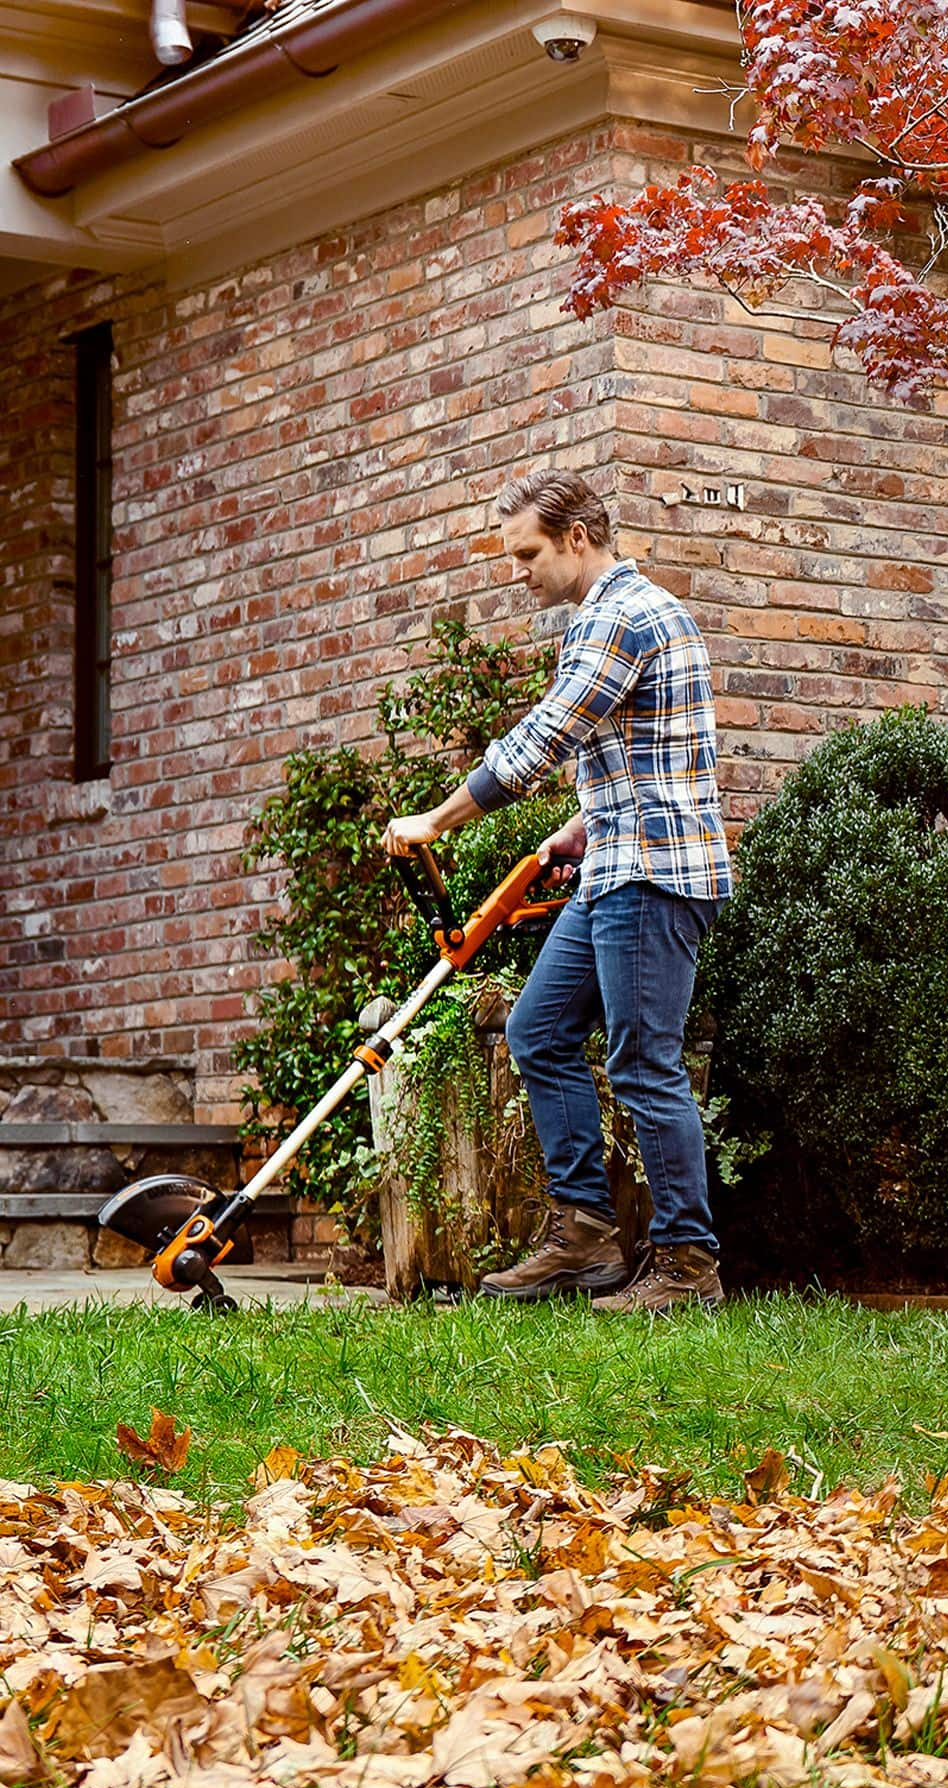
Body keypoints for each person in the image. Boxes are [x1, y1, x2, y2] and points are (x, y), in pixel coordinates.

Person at [383, 469, 733, 1311]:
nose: (519, 571)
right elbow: (646, 749)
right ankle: (585, 1234)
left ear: (578, 536)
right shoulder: (619, 613)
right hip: (616, 856)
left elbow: (548, 734)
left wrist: (440, 816)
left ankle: (689, 1267)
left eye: (528, 552)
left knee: (645, 1064)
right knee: (538, 1031)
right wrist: (583, 822)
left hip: (651, 873)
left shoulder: (618, 614)